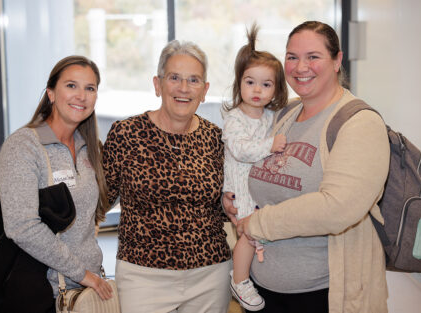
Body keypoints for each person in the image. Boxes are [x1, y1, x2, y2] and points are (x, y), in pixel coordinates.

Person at [223, 21, 390, 313]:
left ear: (337, 61)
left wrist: (258, 224)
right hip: (264, 289)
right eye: (292, 56)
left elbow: (337, 208)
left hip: (322, 294)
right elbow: (257, 170)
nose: (301, 67)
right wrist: (234, 195)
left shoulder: (359, 123)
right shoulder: (284, 116)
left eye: (313, 56)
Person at [102, 40, 232, 313]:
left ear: (205, 90)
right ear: (157, 84)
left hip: (210, 273)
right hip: (143, 276)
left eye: (193, 80)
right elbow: (98, 200)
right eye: (174, 78)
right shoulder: (126, 134)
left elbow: (225, 204)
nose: (184, 88)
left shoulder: (216, 137)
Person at [0, 55, 113, 312]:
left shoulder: (89, 148)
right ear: (51, 93)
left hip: (86, 289)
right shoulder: (24, 146)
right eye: (71, 86)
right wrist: (82, 273)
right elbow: (22, 227)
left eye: (89, 88)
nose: (81, 96)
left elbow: (92, 212)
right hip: (43, 291)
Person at [221, 24, 287, 311]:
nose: (257, 90)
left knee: (262, 231)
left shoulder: (271, 117)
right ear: (239, 84)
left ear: (275, 90)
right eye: (250, 82)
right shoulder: (234, 117)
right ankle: (239, 279)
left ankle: (248, 271)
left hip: (259, 187)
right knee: (249, 232)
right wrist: (270, 146)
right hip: (240, 187)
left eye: (266, 84)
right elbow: (241, 150)